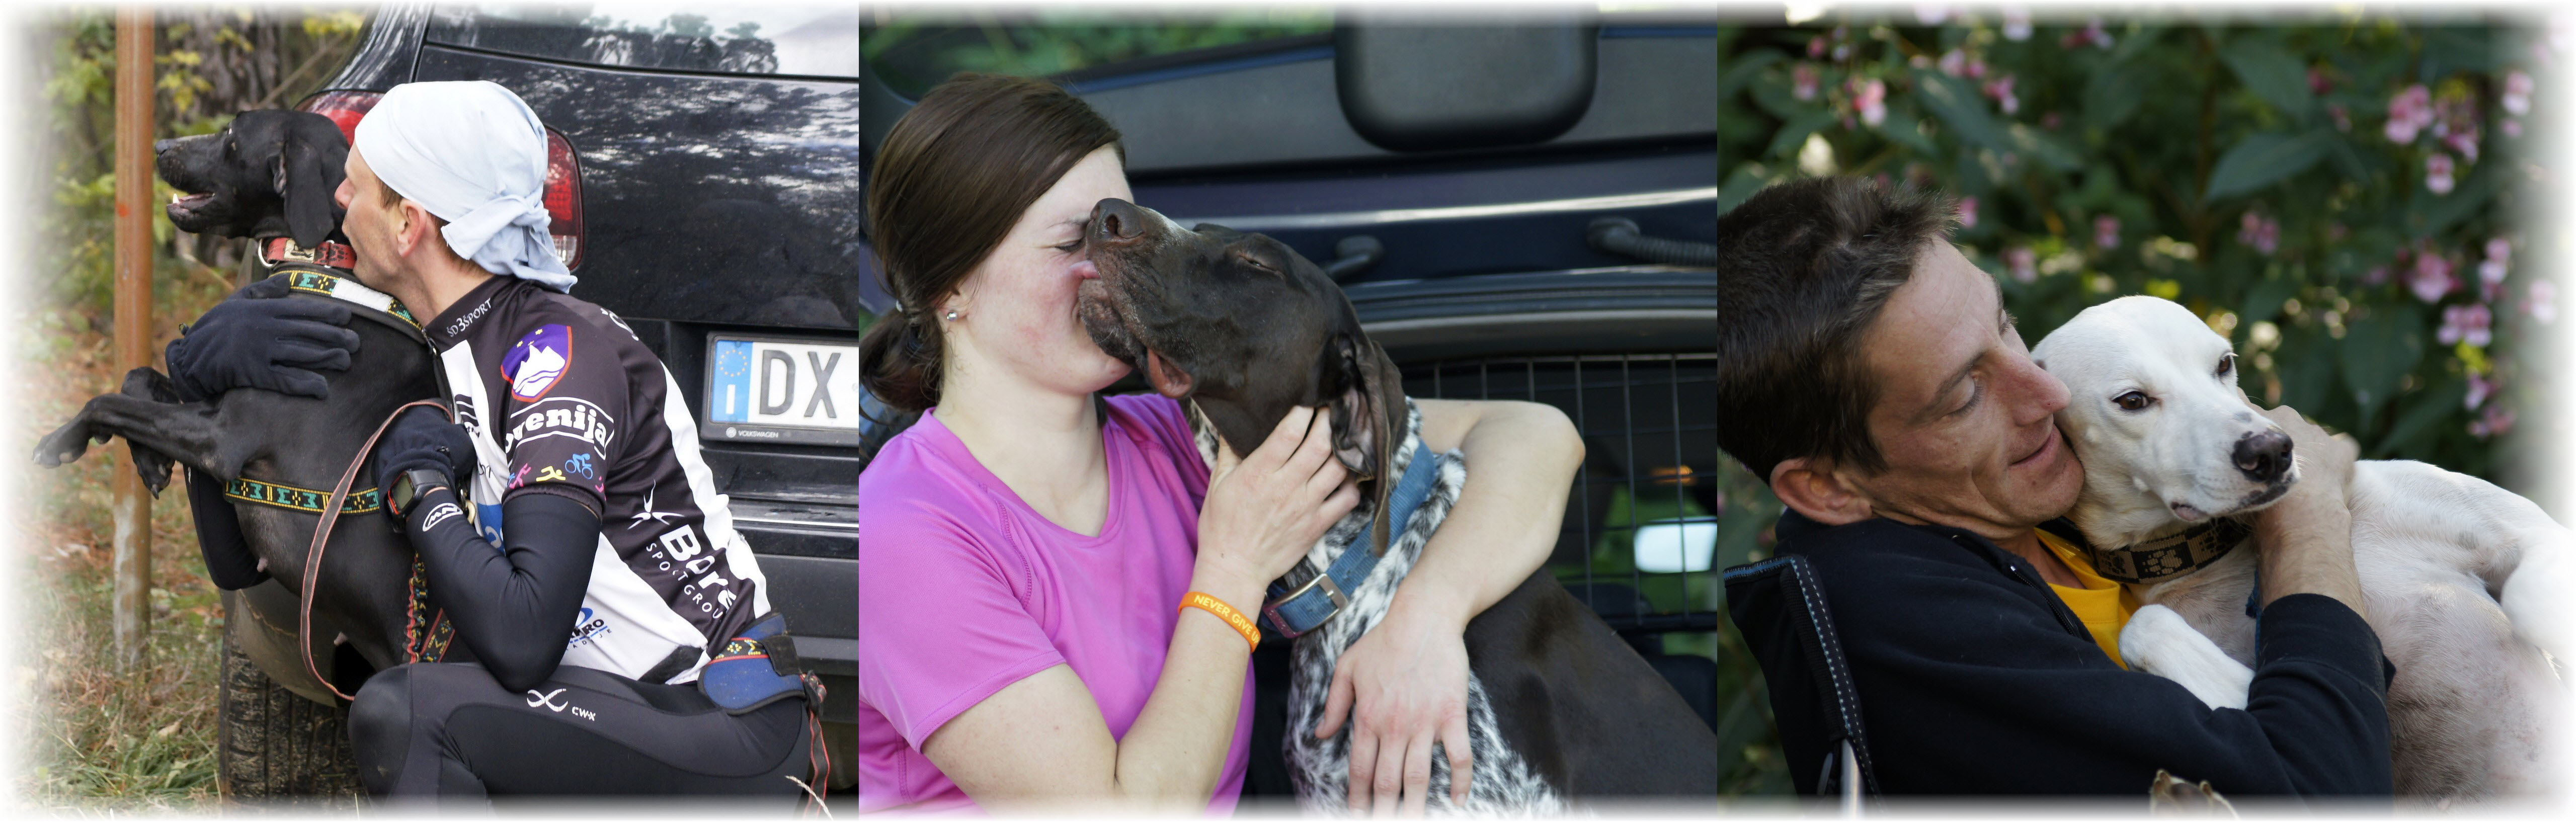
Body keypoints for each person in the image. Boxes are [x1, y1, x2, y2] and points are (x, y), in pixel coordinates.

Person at [855, 74, 1585, 814]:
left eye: (1121, 227)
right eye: (1074, 242)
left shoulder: (1184, 442)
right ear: (951, 287)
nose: (1112, 264)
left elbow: (1533, 435)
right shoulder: (903, 530)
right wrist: (1234, 567)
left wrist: (1426, 620)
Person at [166, 80, 815, 797]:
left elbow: (522, 637)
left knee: (407, 713)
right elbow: (239, 567)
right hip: (623, 700)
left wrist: (421, 492)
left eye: (357, 187)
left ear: (408, 223)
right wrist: (204, 393)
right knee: (411, 685)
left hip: (719, 714)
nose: (339, 202)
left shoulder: (554, 356)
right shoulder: (449, 345)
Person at [1713, 177, 2393, 795]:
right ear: (1827, 487)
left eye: (2004, 324)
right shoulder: (1919, 639)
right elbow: (2322, 794)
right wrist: (2304, 525)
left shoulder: (2052, 506)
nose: (2048, 391)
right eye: (1964, 396)